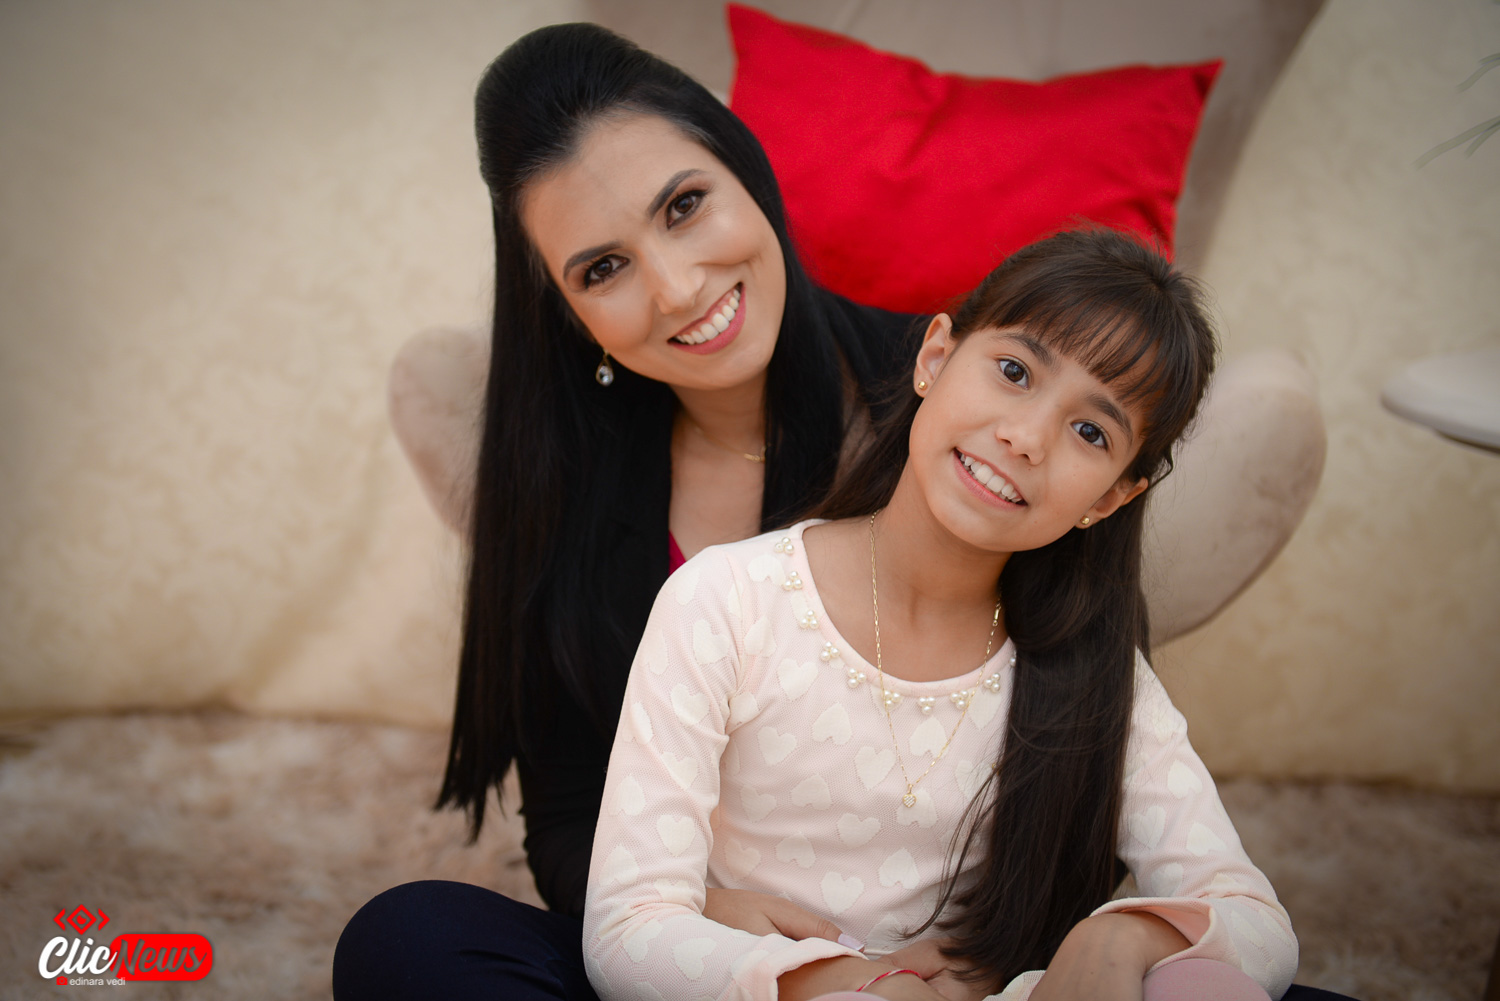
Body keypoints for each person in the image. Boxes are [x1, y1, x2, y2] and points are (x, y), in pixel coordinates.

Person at [582, 230, 1357, 1000]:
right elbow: (627, 930)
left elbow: (1257, 924)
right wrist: (852, 982)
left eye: (1091, 432)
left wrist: (1123, 934)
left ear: (1112, 497)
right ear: (935, 357)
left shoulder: (1094, 675)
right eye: (1014, 371)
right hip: (787, 992)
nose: (1026, 437)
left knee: (1211, 985)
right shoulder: (728, 601)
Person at [333, 20, 924, 1000]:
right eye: (602, 268)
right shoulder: (563, 487)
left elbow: (1083, 737)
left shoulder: (956, 405)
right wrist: (698, 911)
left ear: (746, 170)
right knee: (408, 937)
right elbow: (568, 818)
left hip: (932, 956)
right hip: (701, 959)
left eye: (685, 206)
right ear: (567, 312)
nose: (677, 288)